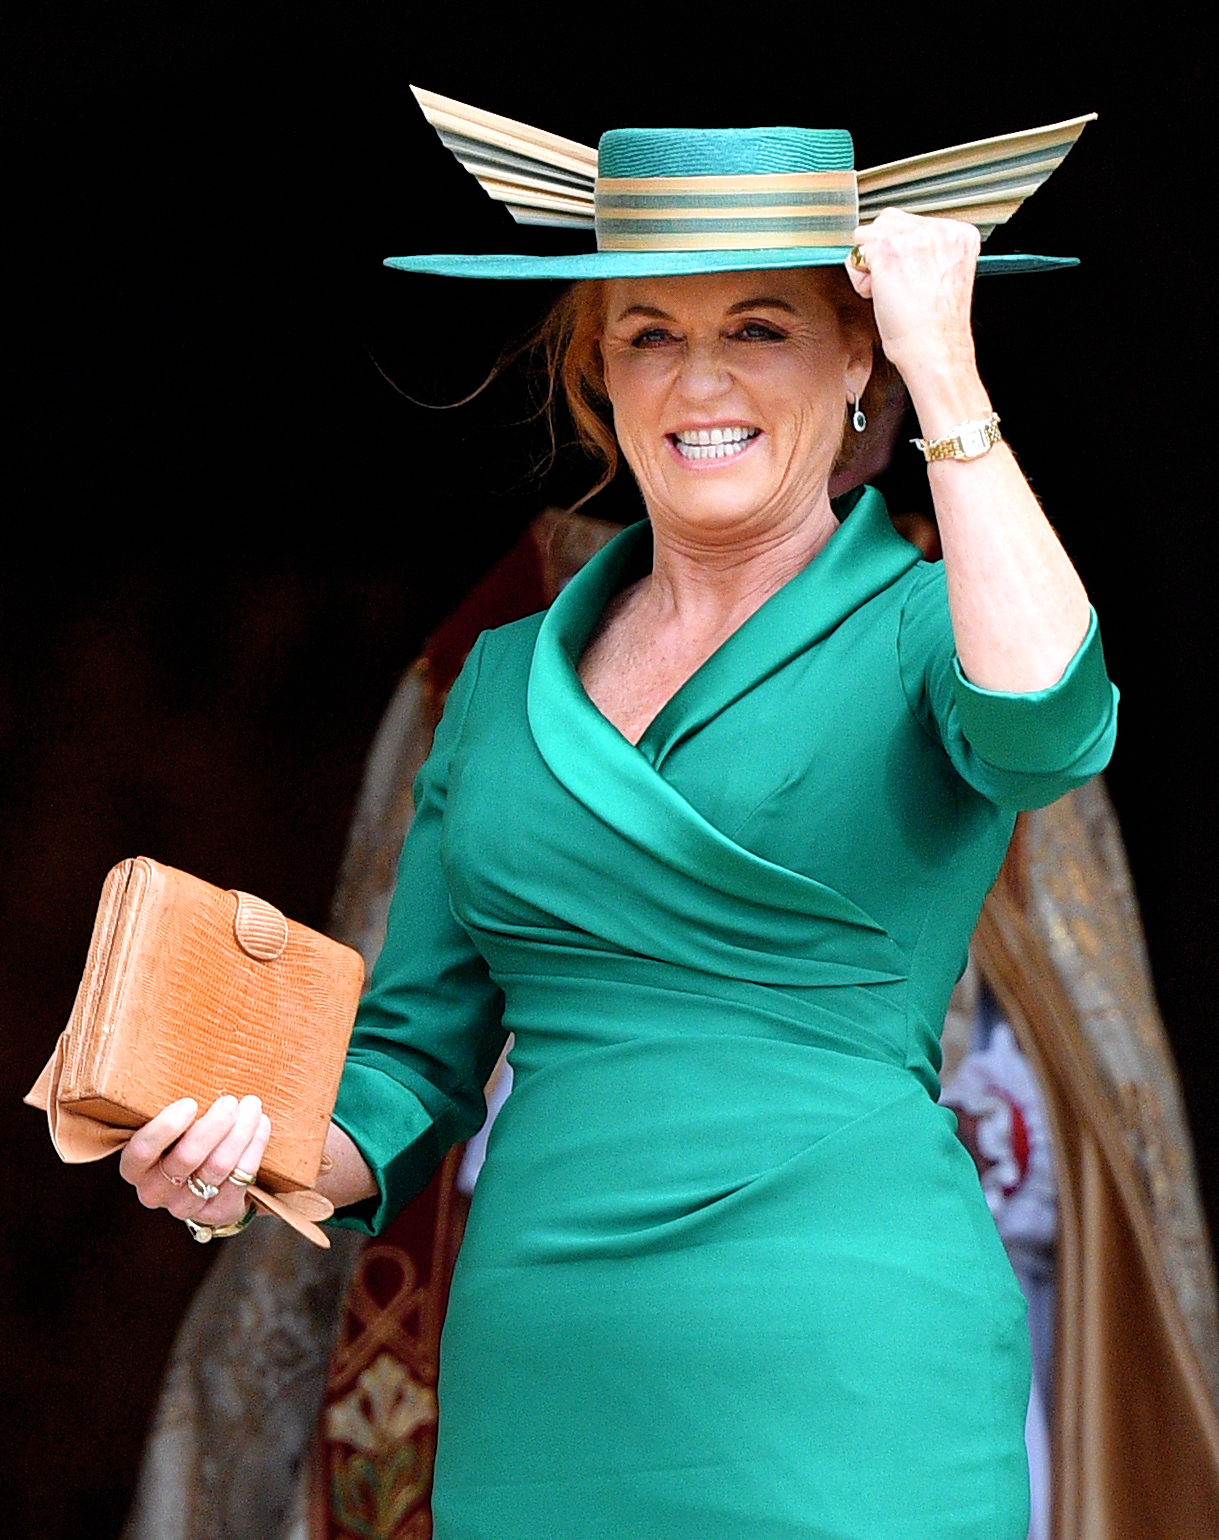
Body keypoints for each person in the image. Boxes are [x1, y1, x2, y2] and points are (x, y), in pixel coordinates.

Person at [118, 112, 1117, 1539]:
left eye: (760, 327)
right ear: (600, 372)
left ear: (856, 365)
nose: (698, 377)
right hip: (548, 1391)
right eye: (648, 333)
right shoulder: (503, 682)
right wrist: (239, 1158)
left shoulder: (923, 625)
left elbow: (1050, 724)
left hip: (850, 1383)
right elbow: (406, 1070)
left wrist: (948, 364)